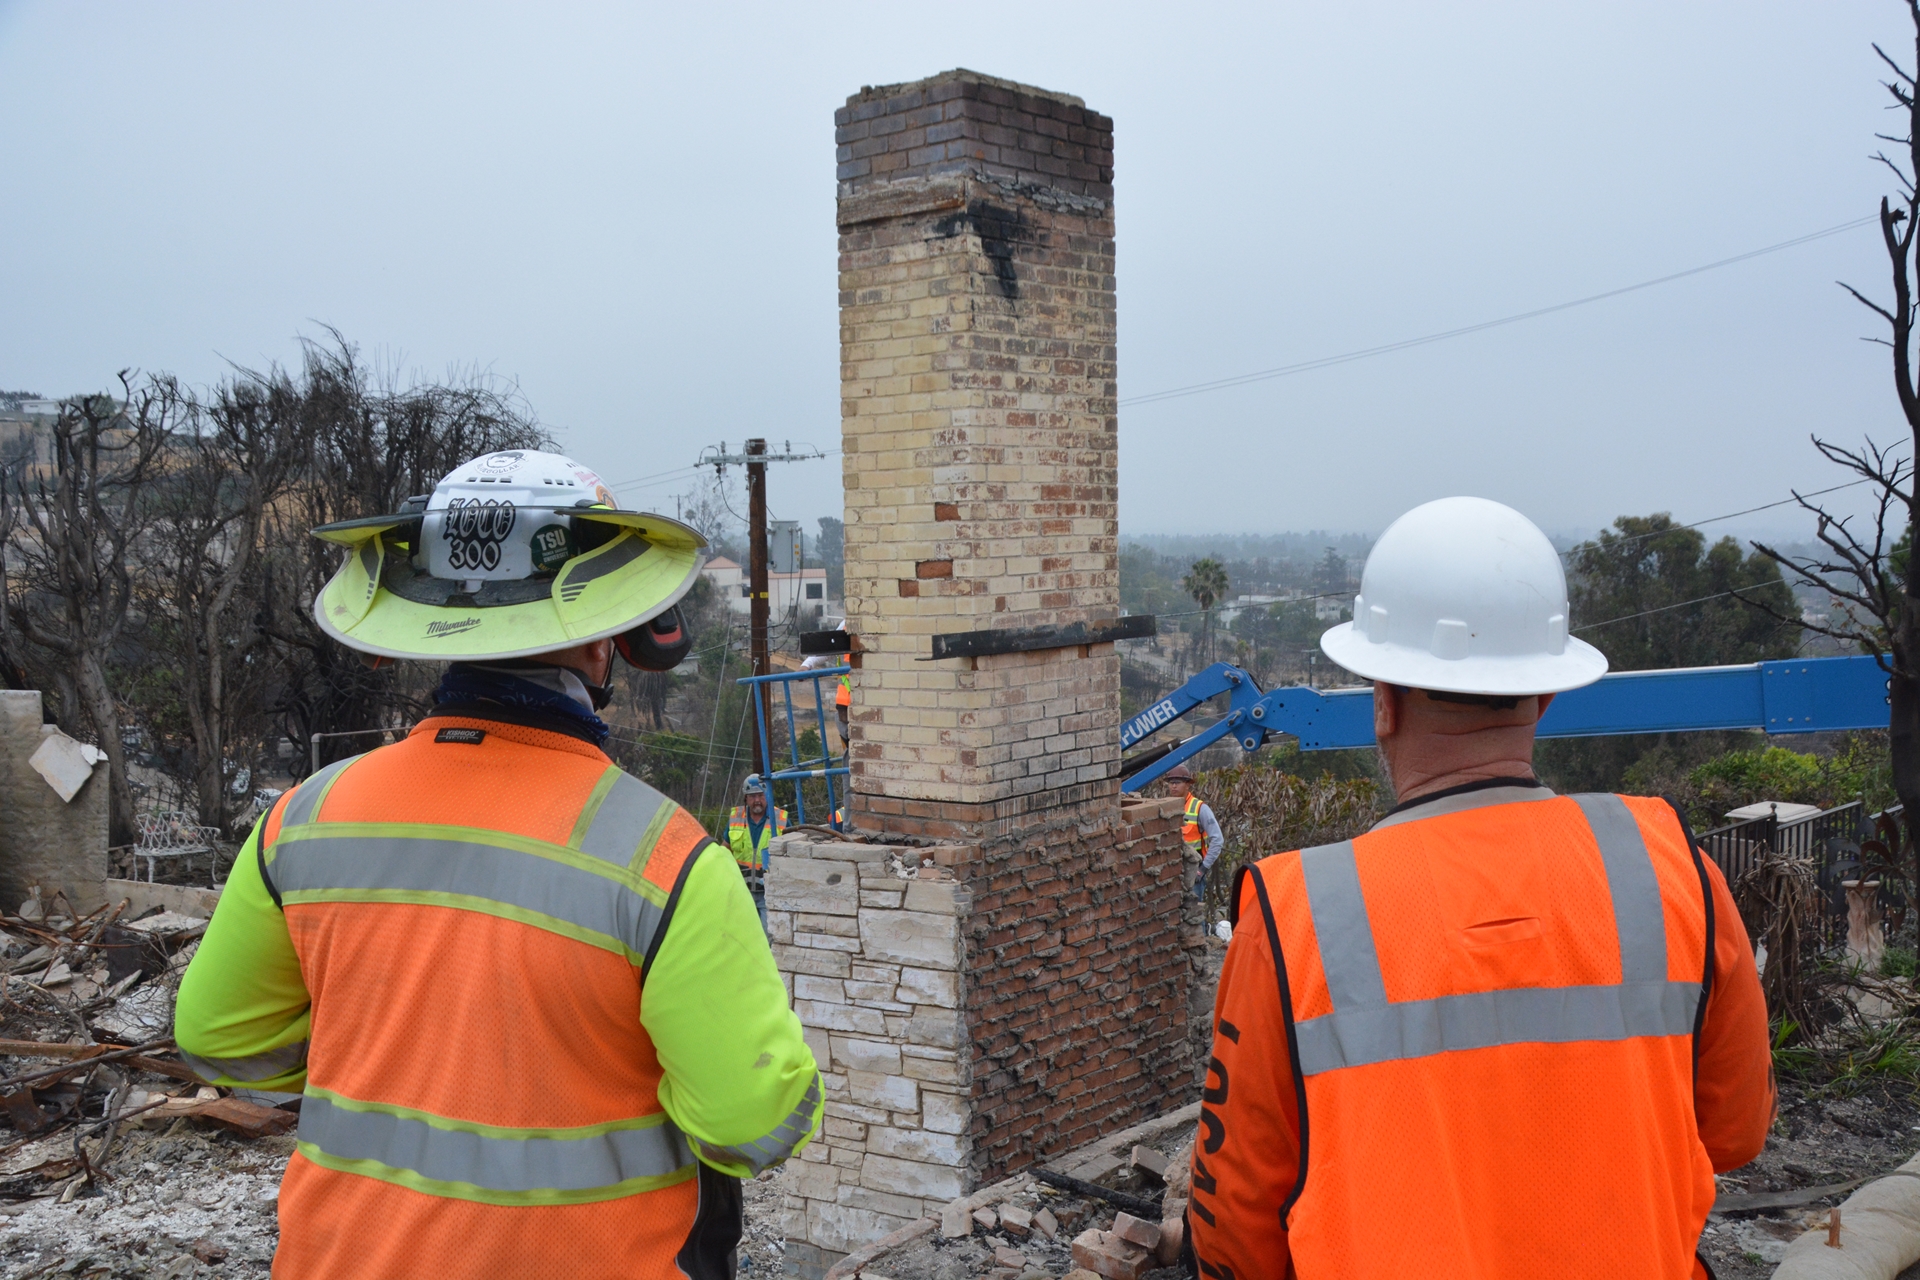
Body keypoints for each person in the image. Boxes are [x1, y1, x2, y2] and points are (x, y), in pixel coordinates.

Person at [173, 450, 822, 1280]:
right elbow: (753, 1123)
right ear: (606, 640)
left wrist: (386, 1048)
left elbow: (220, 1039)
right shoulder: (664, 858)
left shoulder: (301, 821)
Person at [1186, 497, 1773, 1280]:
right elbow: (1734, 1131)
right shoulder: (1671, 868)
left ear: (1383, 703)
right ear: (1546, 694)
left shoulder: (1297, 914)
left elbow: (1233, 1226)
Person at [728, 774, 787, 926]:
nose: (757, 800)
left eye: (761, 795)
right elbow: (724, 849)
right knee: (743, 935)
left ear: (767, 796)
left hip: (769, 892)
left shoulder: (780, 819)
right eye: (752, 796)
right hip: (742, 892)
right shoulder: (736, 818)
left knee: (767, 935)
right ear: (746, 798)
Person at [1162, 764, 1222, 897]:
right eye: (1171, 783)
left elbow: (1217, 839)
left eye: (1178, 782)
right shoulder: (1165, 807)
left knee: (1193, 908)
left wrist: (1203, 868)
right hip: (1171, 871)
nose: (1173, 786)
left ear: (1187, 785)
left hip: (1193, 871)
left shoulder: (1200, 808)